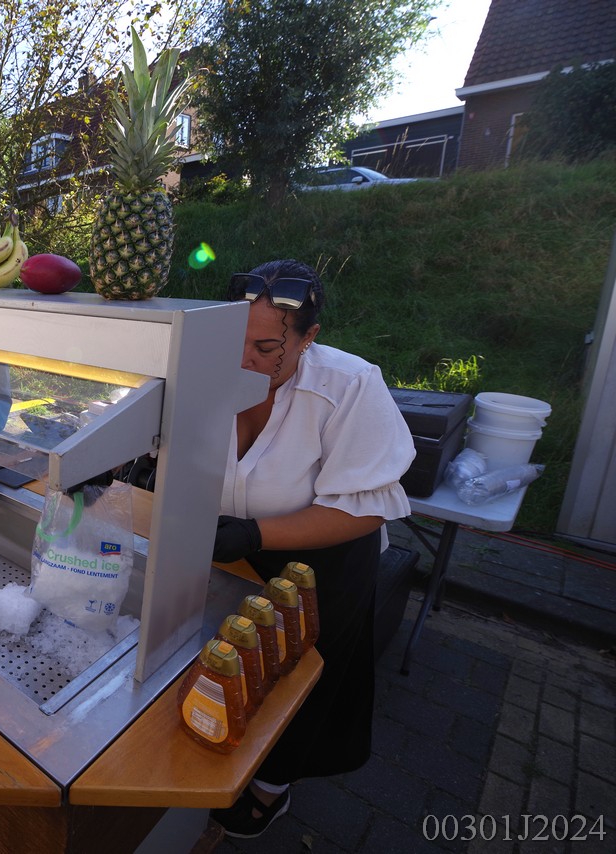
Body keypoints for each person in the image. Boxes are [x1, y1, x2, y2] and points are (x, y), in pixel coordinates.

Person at [209, 259, 415, 838]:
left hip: (321, 559)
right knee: (229, 660)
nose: (244, 360)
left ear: (308, 339)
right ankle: (217, 752)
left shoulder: (349, 385)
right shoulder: (206, 367)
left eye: (266, 347)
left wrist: (255, 534)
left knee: (301, 677)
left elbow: (366, 507)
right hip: (230, 543)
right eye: (234, 340)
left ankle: (272, 785)